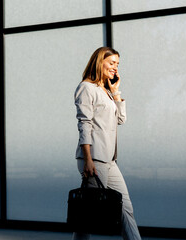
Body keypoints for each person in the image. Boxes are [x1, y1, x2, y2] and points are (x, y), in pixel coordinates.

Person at [72, 47, 142, 240]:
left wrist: (116, 92)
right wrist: (88, 159)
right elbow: (84, 125)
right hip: (93, 158)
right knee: (86, 214)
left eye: (117, 64)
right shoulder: (86, 88)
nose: (115, 68)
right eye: (111, 63)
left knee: (124, 208)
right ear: (99, 62)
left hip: (109, 160)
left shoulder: (106, 91)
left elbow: (121, 119)